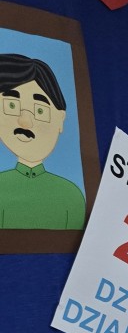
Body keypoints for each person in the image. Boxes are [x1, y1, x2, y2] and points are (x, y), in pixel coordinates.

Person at [0, 54, 85, 229]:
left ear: (60, 119)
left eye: (40, 110)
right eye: (11, 105)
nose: (25, 121)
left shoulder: (71, 196)